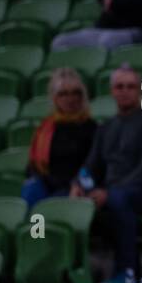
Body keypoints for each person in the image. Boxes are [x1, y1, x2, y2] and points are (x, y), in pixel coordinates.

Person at [71, 65, 142, 283]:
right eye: (119, 86)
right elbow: (91, 165)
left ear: (140, 91)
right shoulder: (106, 127)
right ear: (112, 91)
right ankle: (71, 275)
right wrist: (78, 184)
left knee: (117, 200)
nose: (125, 91)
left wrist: (109, 192)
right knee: (65, 200)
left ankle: (126, 273)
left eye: (131, 86)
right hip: (115, 194)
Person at [22, 68, 97, 207]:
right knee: (31, 190)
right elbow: (32, 165)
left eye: (76, 93)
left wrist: (76, 184)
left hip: (75, 186)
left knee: (51, 204)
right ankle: (33, 229)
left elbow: (93, 166)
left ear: (83, 96)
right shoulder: (46, 127)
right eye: (63, 94)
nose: (71, 99)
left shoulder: (91, 128)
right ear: (54, 98)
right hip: (47, 184)